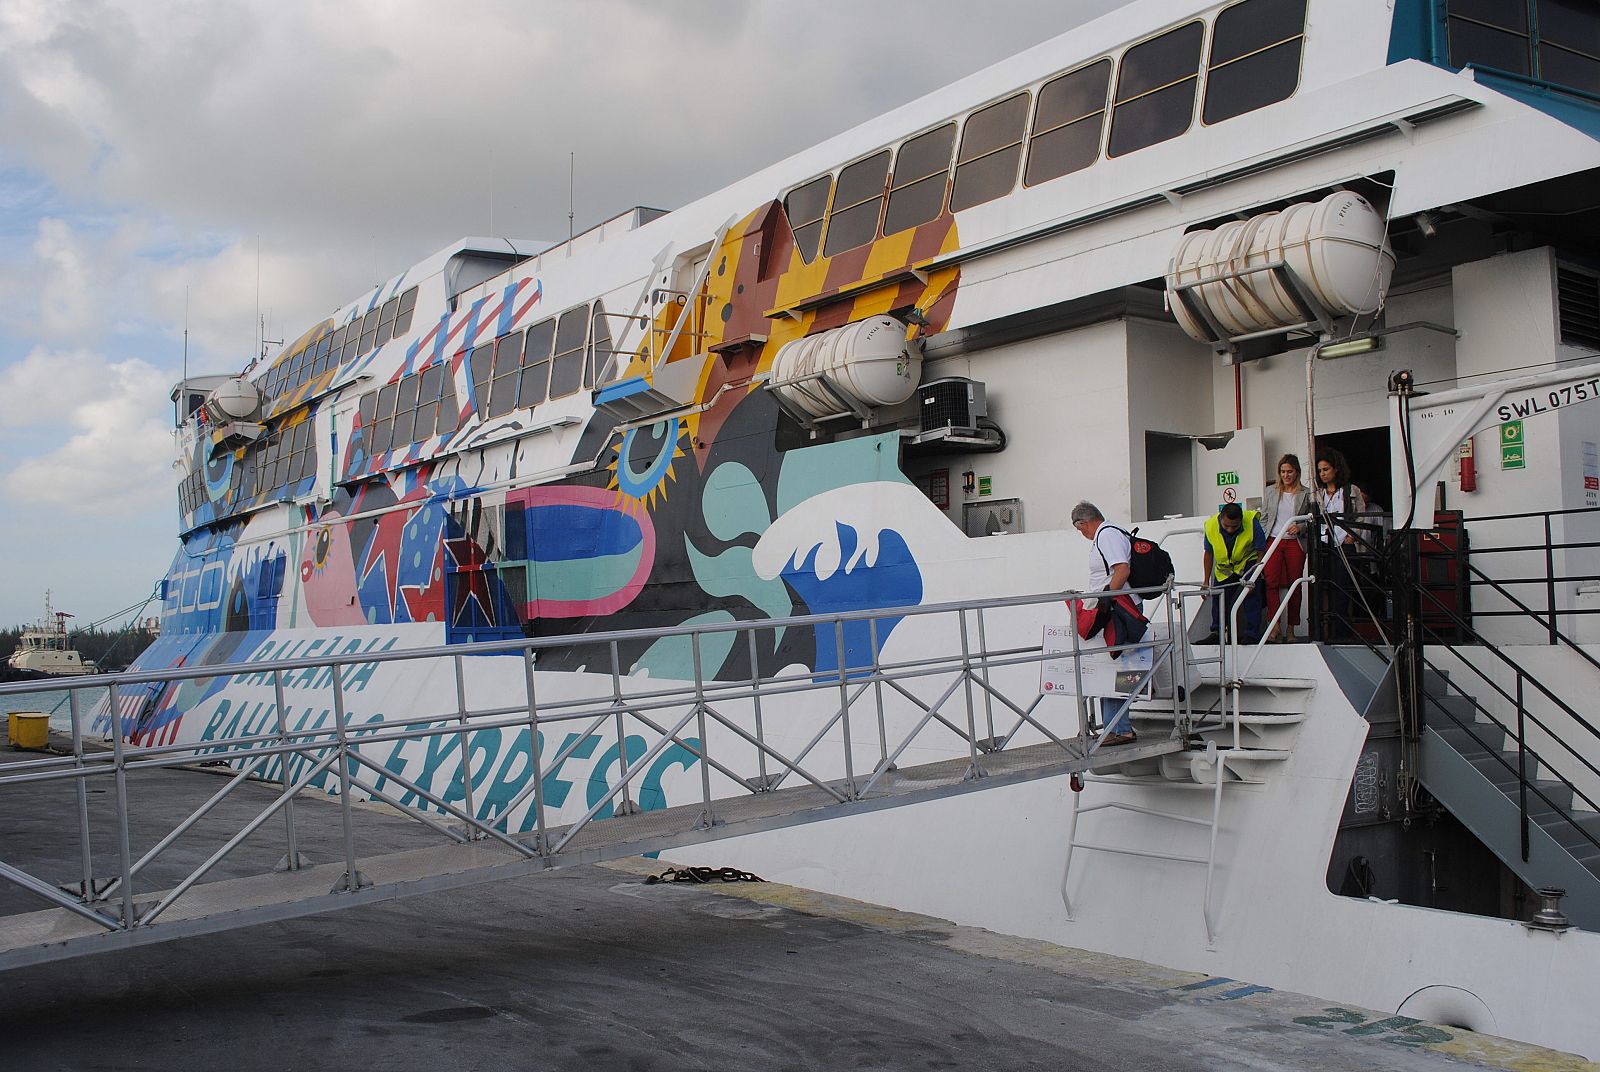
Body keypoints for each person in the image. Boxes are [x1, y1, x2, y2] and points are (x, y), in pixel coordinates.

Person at [1070, 500, 1139, 746]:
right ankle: (1116, 727)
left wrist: (1106, 598)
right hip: (1119, 606)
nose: (1083, 535)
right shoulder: (1110, 533)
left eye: (1081, 530)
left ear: (1085, 522)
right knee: (1113, 666)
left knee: (1114, 667)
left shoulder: (1106, 536)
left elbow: (1122, 570)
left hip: (1119, 609)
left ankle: (1119, 728)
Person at [1314, 448, 1368, 637]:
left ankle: (1343, 630)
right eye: (1320, 470)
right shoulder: (1318, 493)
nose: (1323, 474)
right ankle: (1325, 629)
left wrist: (1352, 535)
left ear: (1336, 469)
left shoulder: (1351, 490)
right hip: (1324, 544)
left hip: (1344, 542)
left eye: (1326, 469)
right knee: (1324, 586)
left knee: (1343, 586)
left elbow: (1361, 516)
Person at [1259, 454, 1312, 642]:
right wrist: (1261, 541)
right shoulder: (1271, 491)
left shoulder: (1306, 493)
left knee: (1295, 585)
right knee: (1271, 583)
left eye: (1289, 471)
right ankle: (1274, 626)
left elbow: (1313, 519)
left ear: (1296, 472)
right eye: (1283, 472)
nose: (1286, 475)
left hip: (1295, 542)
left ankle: (1291, 629)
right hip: (1273, 540)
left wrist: (1301, 526)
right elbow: (1264, 517)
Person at [1202, 502, 1266, 644]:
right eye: (1226, 526)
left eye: (1234, 526)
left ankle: (1251, 634)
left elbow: (1261, 550)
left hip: (1248, 562)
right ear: (1220, 518)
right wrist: (1206, 581)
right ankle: (1217, 633)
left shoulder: (1251, 523)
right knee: (1218, 598)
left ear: (1241, 520)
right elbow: (1208, 553)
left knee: (1251, 595)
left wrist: (1254, 574)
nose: (1230, 530)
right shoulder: (1210, 525)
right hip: (1224, 568)